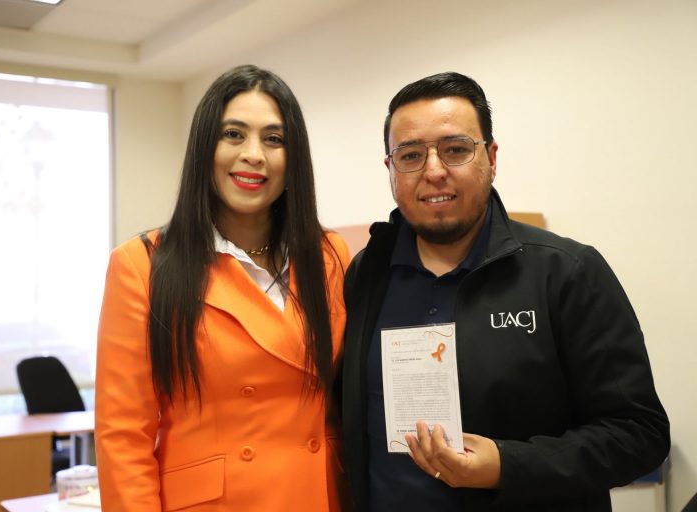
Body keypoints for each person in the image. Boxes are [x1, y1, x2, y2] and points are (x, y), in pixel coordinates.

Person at [340, 71, 669, 511]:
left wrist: (507, 465)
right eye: (411, 155)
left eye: (455, 150)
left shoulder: (565, 272)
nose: (433, 171)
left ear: (491, 158)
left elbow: (640, 434)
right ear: (391, 169)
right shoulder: (366, 273)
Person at [95, 64, 350, 511]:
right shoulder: (143, 264)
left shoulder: (329, 255)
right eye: (233, 134)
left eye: (274, 139)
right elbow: (123, 436)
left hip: (322, 495)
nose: (254, 154)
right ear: (204, 147)